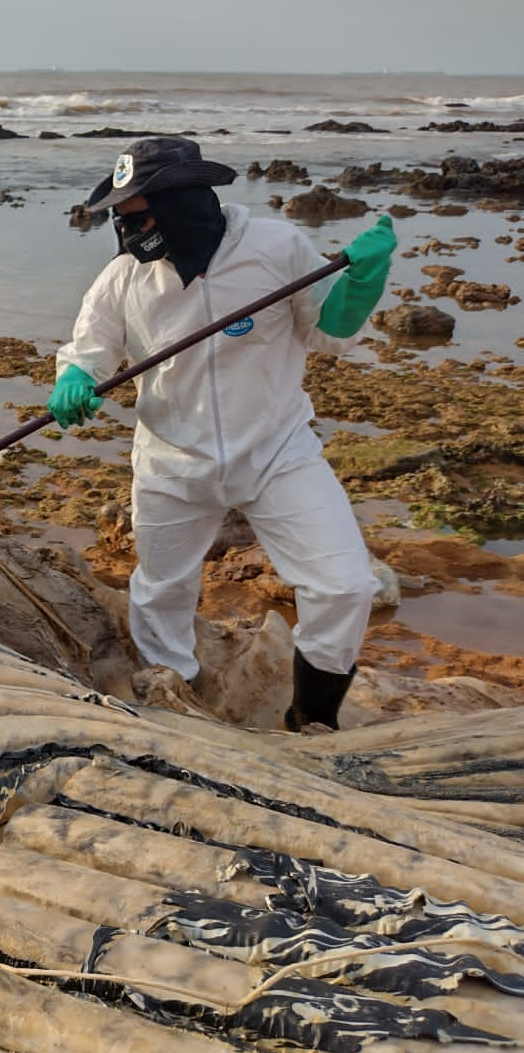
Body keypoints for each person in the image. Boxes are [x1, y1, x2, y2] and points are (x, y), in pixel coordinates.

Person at [48, 136, 397, 731]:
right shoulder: (122, 278)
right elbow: (90, 349)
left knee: (343, 587)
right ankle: (174, 692)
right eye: (121, 217)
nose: (128, 230)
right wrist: (76, 378)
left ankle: (311, 718)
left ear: (184, 202)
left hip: (278, 452)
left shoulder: (275, 248)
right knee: (163, 590)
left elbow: (328, 332)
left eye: (138, 213)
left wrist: (360, 284)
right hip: (171, 460)